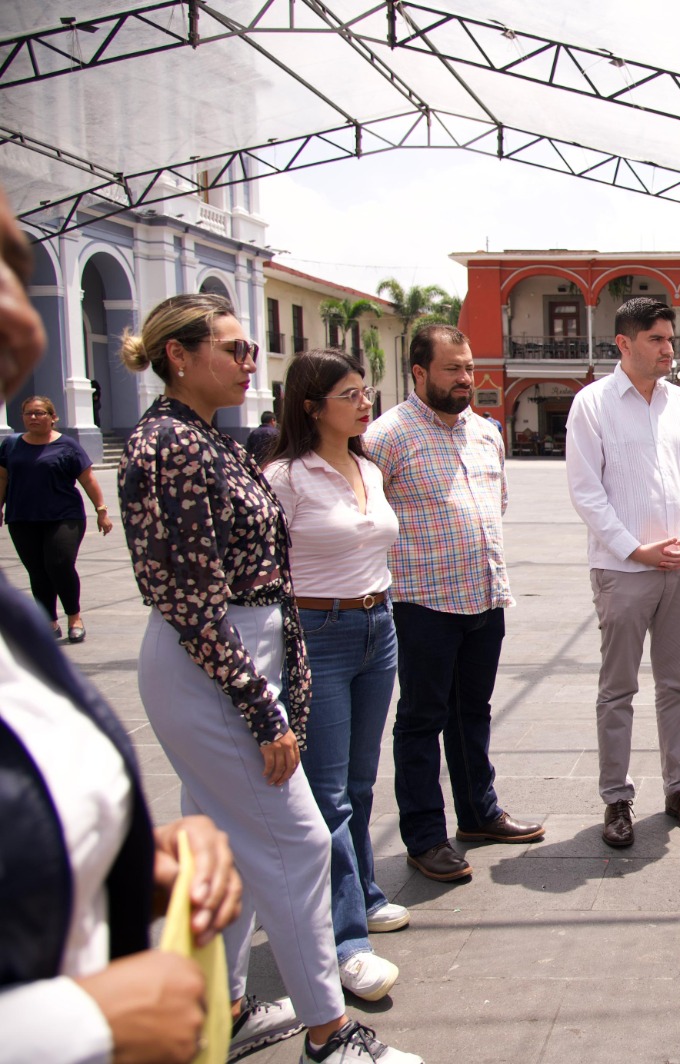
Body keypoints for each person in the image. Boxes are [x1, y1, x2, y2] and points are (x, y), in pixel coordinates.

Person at [118, 294, 422, 1062]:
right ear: (178, 355)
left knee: (223, 846)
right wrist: (263, 710)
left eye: (251, 347)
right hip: (214, 664)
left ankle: (222, 1011)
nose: (250, 360)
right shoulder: (171, 445)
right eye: (233, 348)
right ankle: (330, 1033)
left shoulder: (205, 437)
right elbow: (189, 603)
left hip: (239, 655)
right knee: (299, 840)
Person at [0, 183, 244, 1064]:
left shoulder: (12, 623)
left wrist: (126, 858)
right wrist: (77, 1023)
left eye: (16, 270)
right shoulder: (167, 442)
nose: (21, 315)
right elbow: (186, 590)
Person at [366, 325, 543, 884]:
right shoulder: (385, 437)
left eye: (468, 367)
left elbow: (497, 502)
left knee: (474, 711)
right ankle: (424, 836)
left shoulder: (486, 432)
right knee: (422, 719)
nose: (466, 378)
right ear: (419, 372)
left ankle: (479, 813)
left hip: (484, 595)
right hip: (421, 602)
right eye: (453, 369)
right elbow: (366, 517)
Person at [263, 349, 410, 1004]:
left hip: (378, 628)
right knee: (328, 793)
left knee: (359, 780)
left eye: (364, 390)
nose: (363, 401)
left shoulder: (368, 467)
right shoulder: (284, 478)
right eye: (348, 394)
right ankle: (346, 943)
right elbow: (265, 572)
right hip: (316, 635)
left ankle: (364, 894)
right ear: (311, 406)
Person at [566, 298, 680, 849]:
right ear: (624, 343)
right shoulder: (592, 404)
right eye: (656, 339)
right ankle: (616, 798)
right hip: (623, 569)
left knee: (678, 685)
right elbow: (586, 491)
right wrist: (636, 550)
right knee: (618, 689)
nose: (667, 349)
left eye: (669, 339)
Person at [0, 395, 114, 642]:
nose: (33, 417)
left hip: (64, 516)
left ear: (53, 417)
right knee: (37, 570)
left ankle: (74, 617)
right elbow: (3, 478)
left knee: (59, 563)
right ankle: (49, 621)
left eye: (39, 413)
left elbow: (88, 479)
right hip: (22, 517)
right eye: (28, 413)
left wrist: (101, 510)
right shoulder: (11, 445)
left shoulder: (67, 445)